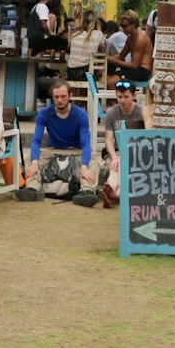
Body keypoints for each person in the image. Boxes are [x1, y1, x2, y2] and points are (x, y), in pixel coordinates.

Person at [20, 77, 95, 199]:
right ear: (52, 97)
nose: (59, 100)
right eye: (56, 97)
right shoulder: (44, 113)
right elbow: (36, 140)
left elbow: (86, 144)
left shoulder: (80, 114)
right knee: (30, 159)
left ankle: (87, 192)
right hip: (54, 149)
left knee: (92, 161)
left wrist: (84, 166)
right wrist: (34, 162)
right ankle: (32, 189)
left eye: (63, 96)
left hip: (76, 150)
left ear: (70, 96)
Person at [98, 79, 145, 208]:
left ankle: (113, 193)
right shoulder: (111, 113)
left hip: (135, 152)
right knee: (115, 166)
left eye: (126, 97)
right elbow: (108, 139)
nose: (122, 101)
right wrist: (114, 157)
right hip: (117, 152)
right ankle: (114, 192)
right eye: (119, 97)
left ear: (134, 96)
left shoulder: (141, 112)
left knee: (122, 166)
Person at [108, 11, 153, 87]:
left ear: (133, 24)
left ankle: (120, 98)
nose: (122, 28)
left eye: (124, 26)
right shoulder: (130, 38)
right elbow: (121, 56)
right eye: (121, 25)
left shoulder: (140, 39)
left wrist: (111, 60)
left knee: (110, 82)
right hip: (134, 69)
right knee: (107, 77)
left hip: (142, 71)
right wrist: (104, 58)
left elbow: (134, 65)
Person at [67, 10, 105, 83]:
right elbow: (101, 55)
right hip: (88, 73)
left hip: (71, 72)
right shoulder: (99, 34)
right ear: (95, 21)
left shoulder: (74, 33)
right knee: (100, 69)